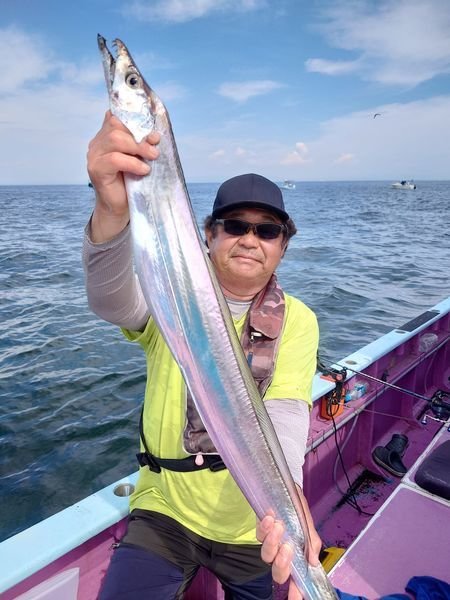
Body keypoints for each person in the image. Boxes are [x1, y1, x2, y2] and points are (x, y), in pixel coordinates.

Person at [84, 111, 321, 600]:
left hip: (251, 526)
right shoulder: (171, 290)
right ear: (209, 234)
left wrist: (291, 514)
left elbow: (286, 415)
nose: (250, 239)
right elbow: (112, 302)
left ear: (283, 246)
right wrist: (110, 210)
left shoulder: (298, 319)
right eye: (235, 225)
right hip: (164, 510)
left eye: (267, 231)